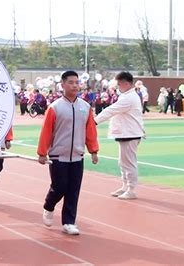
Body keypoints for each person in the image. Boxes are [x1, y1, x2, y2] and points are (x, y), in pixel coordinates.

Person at [37, 70, 99, 235]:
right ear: (62, 85)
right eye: (70, 82)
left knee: (73, 189)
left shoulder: (85, 107)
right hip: (58, 156)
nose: (74, 85)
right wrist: (42, 152)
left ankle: (69, 222)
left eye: (76, 82)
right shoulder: (55, 107)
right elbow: (46, 131)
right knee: (59, 187)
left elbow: (90, 130)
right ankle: (49, 206)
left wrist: (93, 150)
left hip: (77, 156)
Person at [95, 72, 145, 200]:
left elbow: (111, 110)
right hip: (126, 133)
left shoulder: (129, 98)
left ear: (126, 83)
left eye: (119, 84)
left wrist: (94, 121)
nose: (118, 86)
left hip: (130, 133)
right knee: (123, 162)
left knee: (129, 163)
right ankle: (125, 186)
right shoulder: (127, 96)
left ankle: (131, 189)